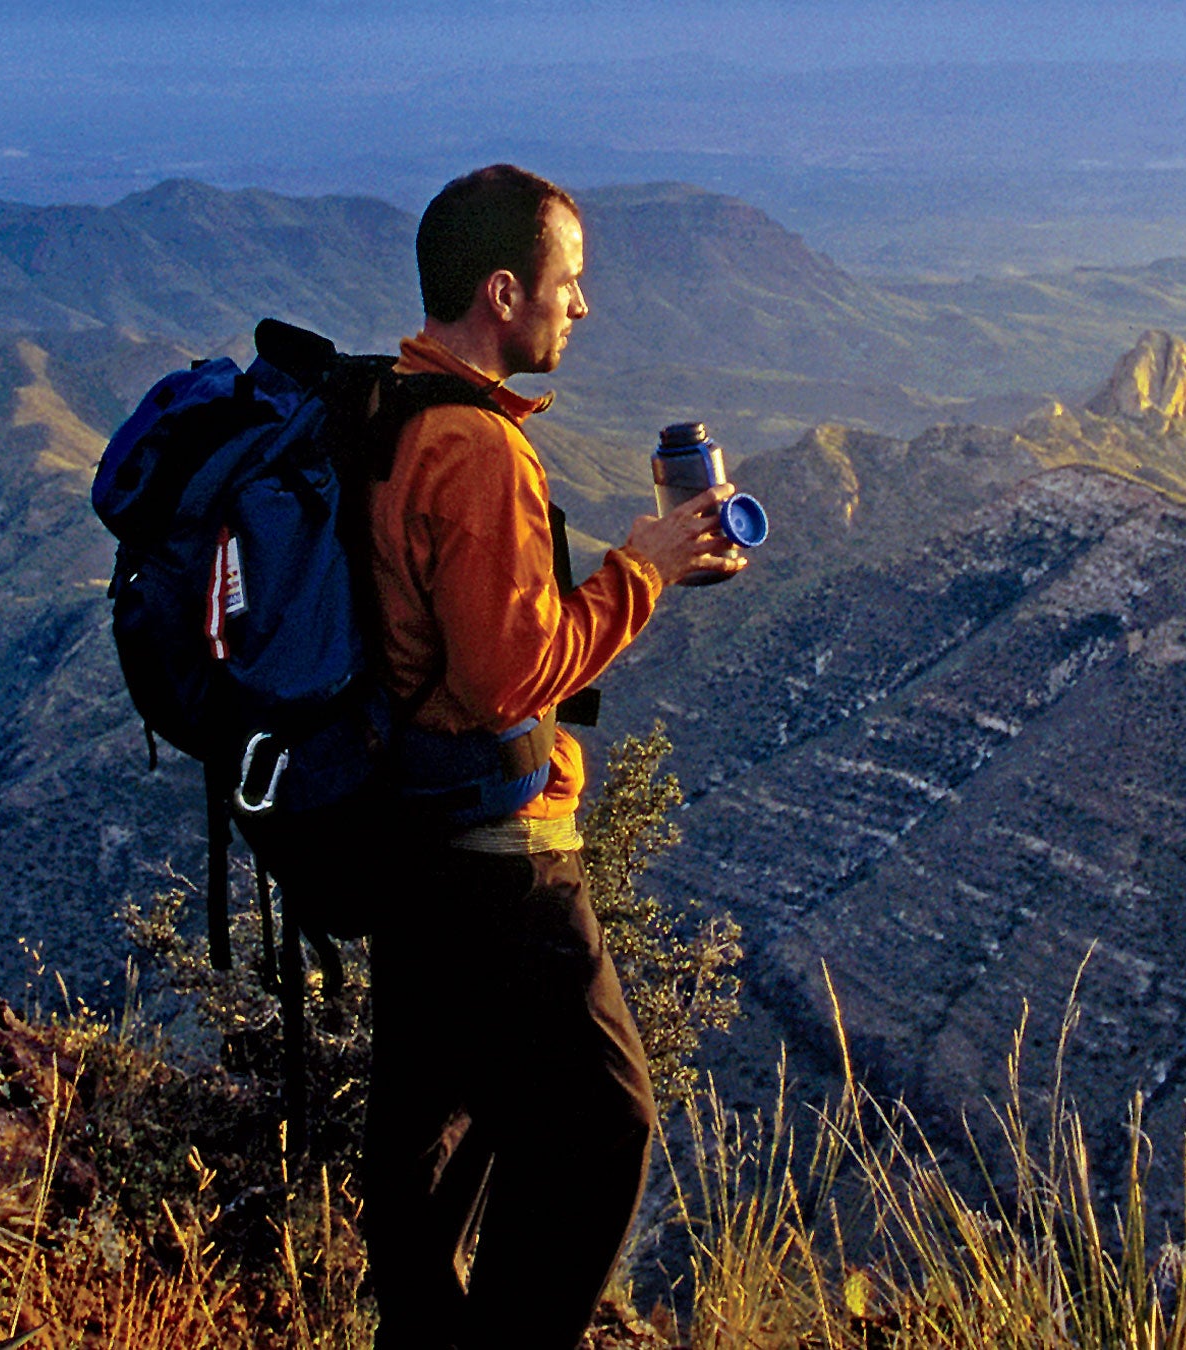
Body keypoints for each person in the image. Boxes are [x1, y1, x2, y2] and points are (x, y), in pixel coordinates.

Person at [361, 163, 744, 1349]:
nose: (581, 305)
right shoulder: (475, 448)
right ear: (502, 292)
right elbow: (503, 676)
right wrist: (645, 571)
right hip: (497, 860)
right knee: (600, 1127)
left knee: (432, 1152)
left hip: (407, 842)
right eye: (567, 282)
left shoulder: (389, 411)